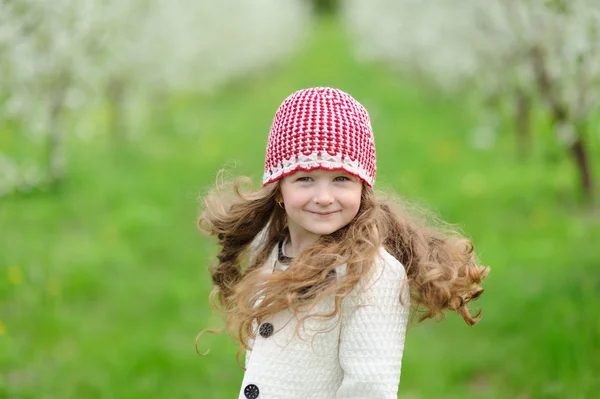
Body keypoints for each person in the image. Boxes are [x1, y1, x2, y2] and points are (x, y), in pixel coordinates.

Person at [197, 87, 489, 399]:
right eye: (305, 178)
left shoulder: (371, 274)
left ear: (363, 189)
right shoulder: (271, 249)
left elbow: (369, 388)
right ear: (278, 188)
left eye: (341, 179)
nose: (323, 198)